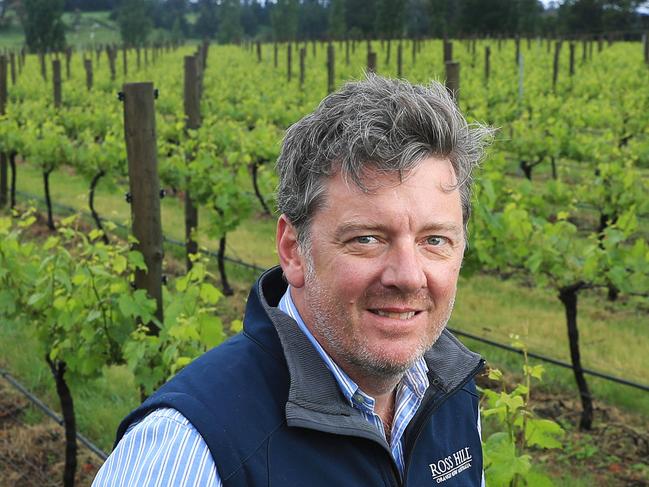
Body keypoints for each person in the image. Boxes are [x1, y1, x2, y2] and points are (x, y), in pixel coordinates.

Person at [93, 74, 492, 486]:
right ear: (292, 250)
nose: (408, 276)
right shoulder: (192, 452)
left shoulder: (452, 396)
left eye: (435, 240)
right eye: (367, 238)